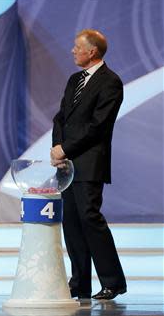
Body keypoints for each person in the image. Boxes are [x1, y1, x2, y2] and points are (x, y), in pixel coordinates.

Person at [51, 29, 127, 300]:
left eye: (77, 47)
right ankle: (79, 282)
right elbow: (61, 117)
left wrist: (66, 148)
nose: (73, 51)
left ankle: (112, 282)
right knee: (71, 223)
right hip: (67, 164)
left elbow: (98, 127)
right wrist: (57, 149)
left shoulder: (110, 82)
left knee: (89, 218)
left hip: (89, 162)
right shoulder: (75, 80)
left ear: (91, 51)